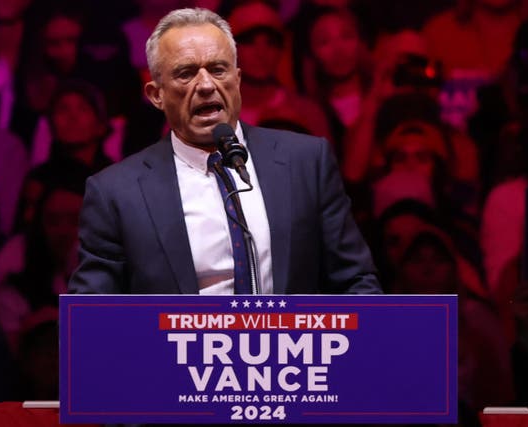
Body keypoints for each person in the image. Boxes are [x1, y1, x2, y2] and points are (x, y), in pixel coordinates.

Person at [68, 7, 380, 295]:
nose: (206, 85)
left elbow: (355, 281)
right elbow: (93, 318)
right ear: (156, 95)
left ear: (237, 80)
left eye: (218, 70)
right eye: (186, 73)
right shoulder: (116, 193)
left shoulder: (306, 162)